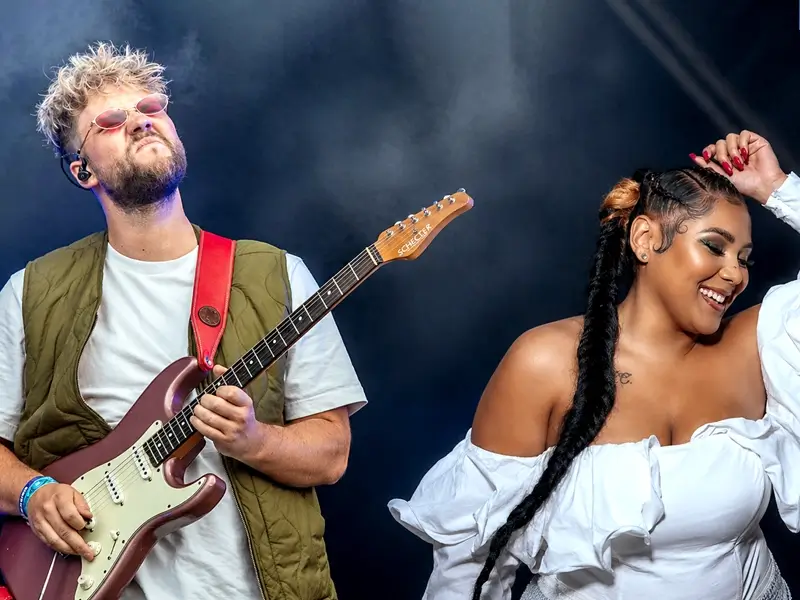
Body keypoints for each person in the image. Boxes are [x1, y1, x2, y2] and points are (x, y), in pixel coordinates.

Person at [0, 42, 368, 600]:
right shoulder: (31, 292)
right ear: (82, 171)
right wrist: (33, 494)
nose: (140, 123)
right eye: (111, 121)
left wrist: (252, 439)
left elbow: (332, 452)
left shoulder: (277, 274)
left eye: (151, 108)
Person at [389, 129, 800, 600]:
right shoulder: (543, 363)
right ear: (646, 239)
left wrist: (778, 189)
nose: (735, 273)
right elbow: (468, 567)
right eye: (714, 246)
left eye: (743, 258)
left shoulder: (755, 345)